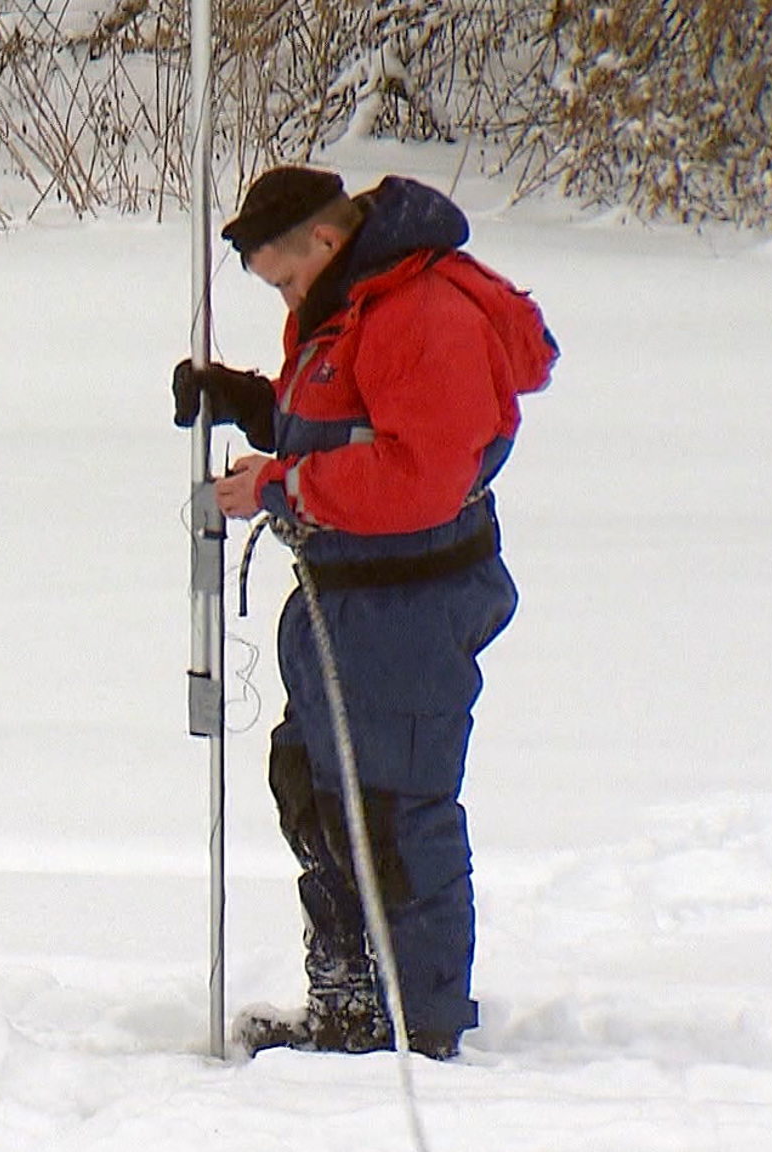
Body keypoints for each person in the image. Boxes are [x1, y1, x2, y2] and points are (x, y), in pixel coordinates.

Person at [172, 166, 556, 1059]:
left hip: (409, 602)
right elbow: (348, 420)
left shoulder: (422, 311)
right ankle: (349, 1001)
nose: (285, 295)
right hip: (342, 597)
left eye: (283, 279)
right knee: (317, 790)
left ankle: (417, 1033)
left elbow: (420, 478)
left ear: (326, 239)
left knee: (390, 811)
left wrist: (274, 485)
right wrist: (252, 405)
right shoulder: (352, 300)